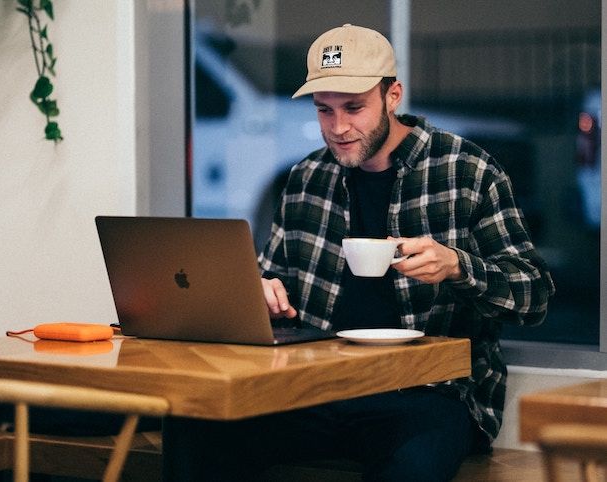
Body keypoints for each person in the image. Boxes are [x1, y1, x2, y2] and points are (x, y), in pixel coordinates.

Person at [164, 24, 555, 481]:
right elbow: (272, 280)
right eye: (323, 111)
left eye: (354, 107)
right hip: (315, 388)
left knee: (412, 466)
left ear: (393, 96)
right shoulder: (307, 177)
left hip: (428, 394)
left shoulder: (466, 172)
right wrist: (263, 292)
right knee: (196, 433)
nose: (338, 128)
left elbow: (535, 296)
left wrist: (456, 266)